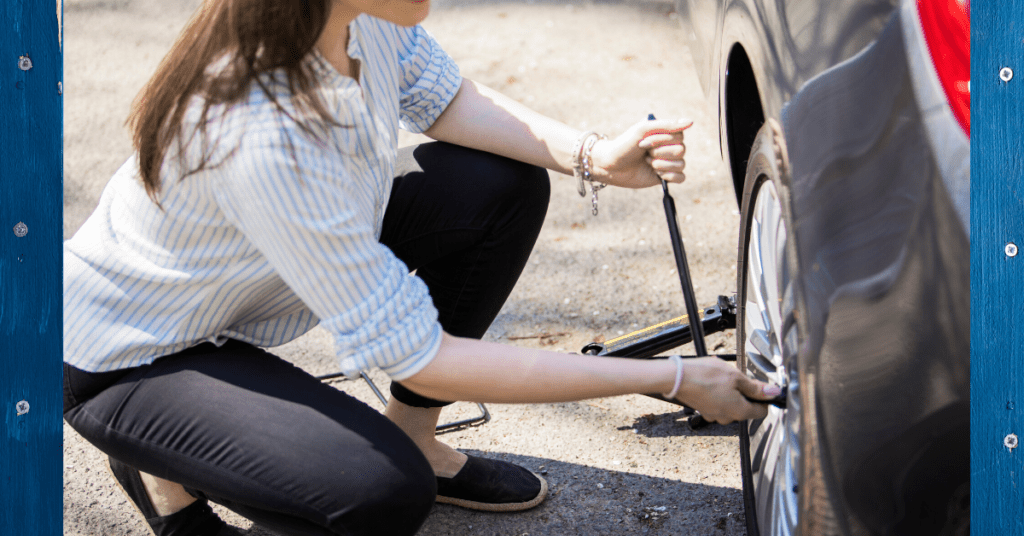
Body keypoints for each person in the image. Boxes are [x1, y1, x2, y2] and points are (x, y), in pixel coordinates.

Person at [63, 0, 780, 534]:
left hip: (221, 302)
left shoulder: (354, 19)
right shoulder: (264, 131)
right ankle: (163, 474)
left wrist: (594, 156)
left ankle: (413, 436)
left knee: (500, 182)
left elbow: (448, 99)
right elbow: (424, 357)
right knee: (375, 492)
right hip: (131, 356)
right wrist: (677, 378)